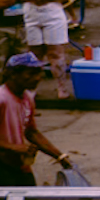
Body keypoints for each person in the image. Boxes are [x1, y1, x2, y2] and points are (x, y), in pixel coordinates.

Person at [0, 54, 67, 185]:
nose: (37, 78)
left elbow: (31, 132)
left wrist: (60, 156)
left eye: (39, 74)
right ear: (13, 74)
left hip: (18, 165)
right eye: (31, 74)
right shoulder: (2, 99)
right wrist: (14, 147)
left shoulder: (27, 98)